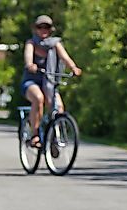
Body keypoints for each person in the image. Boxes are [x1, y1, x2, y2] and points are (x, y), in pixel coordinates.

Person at [20, 15, 82, 148]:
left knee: (58, 107)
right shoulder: (31, 43)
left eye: (46, 27)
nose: (43, 30)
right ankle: (35, 134)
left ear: (51, 29)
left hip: (49, 82)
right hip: (32, 82)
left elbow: (65, 57)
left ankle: (53, 136)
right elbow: (28, 57)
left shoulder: (55, 44)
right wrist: (30, 65)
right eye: (40, 27)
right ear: (35, 29)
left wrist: (73, 68)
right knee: (38, 98)